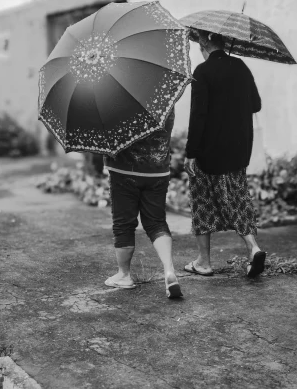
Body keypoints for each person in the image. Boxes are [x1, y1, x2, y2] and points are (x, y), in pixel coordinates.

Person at [184, 30, 266, 278]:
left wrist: (190, 153)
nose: (198, 44)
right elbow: (256, 104)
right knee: (238, 199)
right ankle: (253, 247)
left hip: (210, 152)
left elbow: (198, 116)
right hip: (239, 149)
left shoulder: (203, 72)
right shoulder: (240, 66)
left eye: (199, 40)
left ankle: (204, 262)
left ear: (206, 43)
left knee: (203, 204)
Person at [103, 108, 182, 299]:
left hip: (124, 171)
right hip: (157, 172)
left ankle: (124, 275)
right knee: (156, 222)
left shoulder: (119, 99)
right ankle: (169, 270)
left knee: (124, 223)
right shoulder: (165, 97)